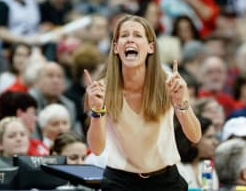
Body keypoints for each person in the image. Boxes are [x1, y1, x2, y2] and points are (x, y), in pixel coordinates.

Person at [84, 14, 201, 191]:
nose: (130, 39)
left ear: (150, 47)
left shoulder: (168, 83)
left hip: (166, 180)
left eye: (137, 35)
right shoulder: (101, 89)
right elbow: (97, 149)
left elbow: (195, 136)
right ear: (116, 48)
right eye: (124, 35)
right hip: (120, 181)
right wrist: (97, 111)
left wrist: (181, 102)